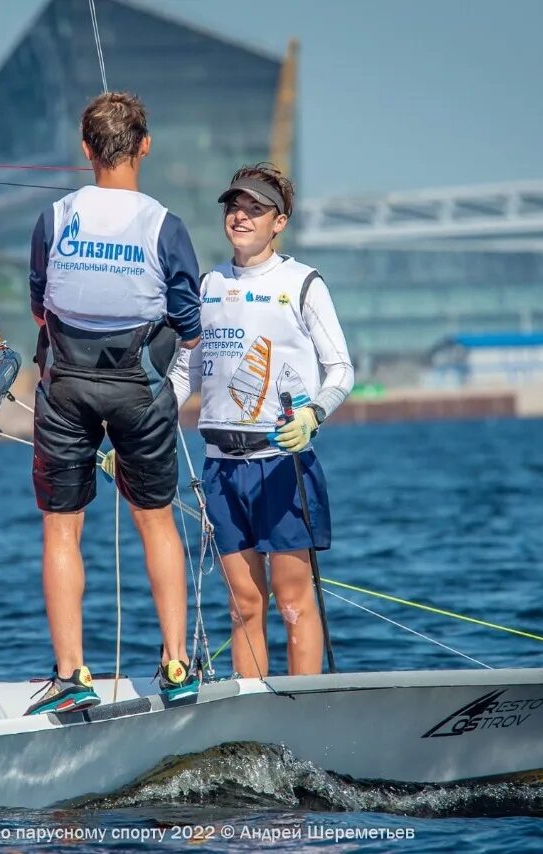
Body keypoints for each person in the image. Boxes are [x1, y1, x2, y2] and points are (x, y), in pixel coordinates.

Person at [27, 92, 202, 715]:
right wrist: (175, 393)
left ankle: (73, 674)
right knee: (155, 519)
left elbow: (40, 307)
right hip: (140, 386)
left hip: (66, 386)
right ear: (144, 146)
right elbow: (190, 326)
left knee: (61, 529)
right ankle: (176, 661)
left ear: (85, 149)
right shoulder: (165, 226)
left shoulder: (54, 218)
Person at [169, 163, 354, 678]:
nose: (241, 216)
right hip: (222, 468)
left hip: (281, 464)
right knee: (245, 606)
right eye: (234, 207)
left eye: (255, 209)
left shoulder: (302, 284)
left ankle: (305, 709)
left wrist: (314, 414)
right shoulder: (208, 285)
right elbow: (186, 371)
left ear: (280, 222)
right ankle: (253, 713)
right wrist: (145, 424)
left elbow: (341, 368)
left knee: (293, 603)